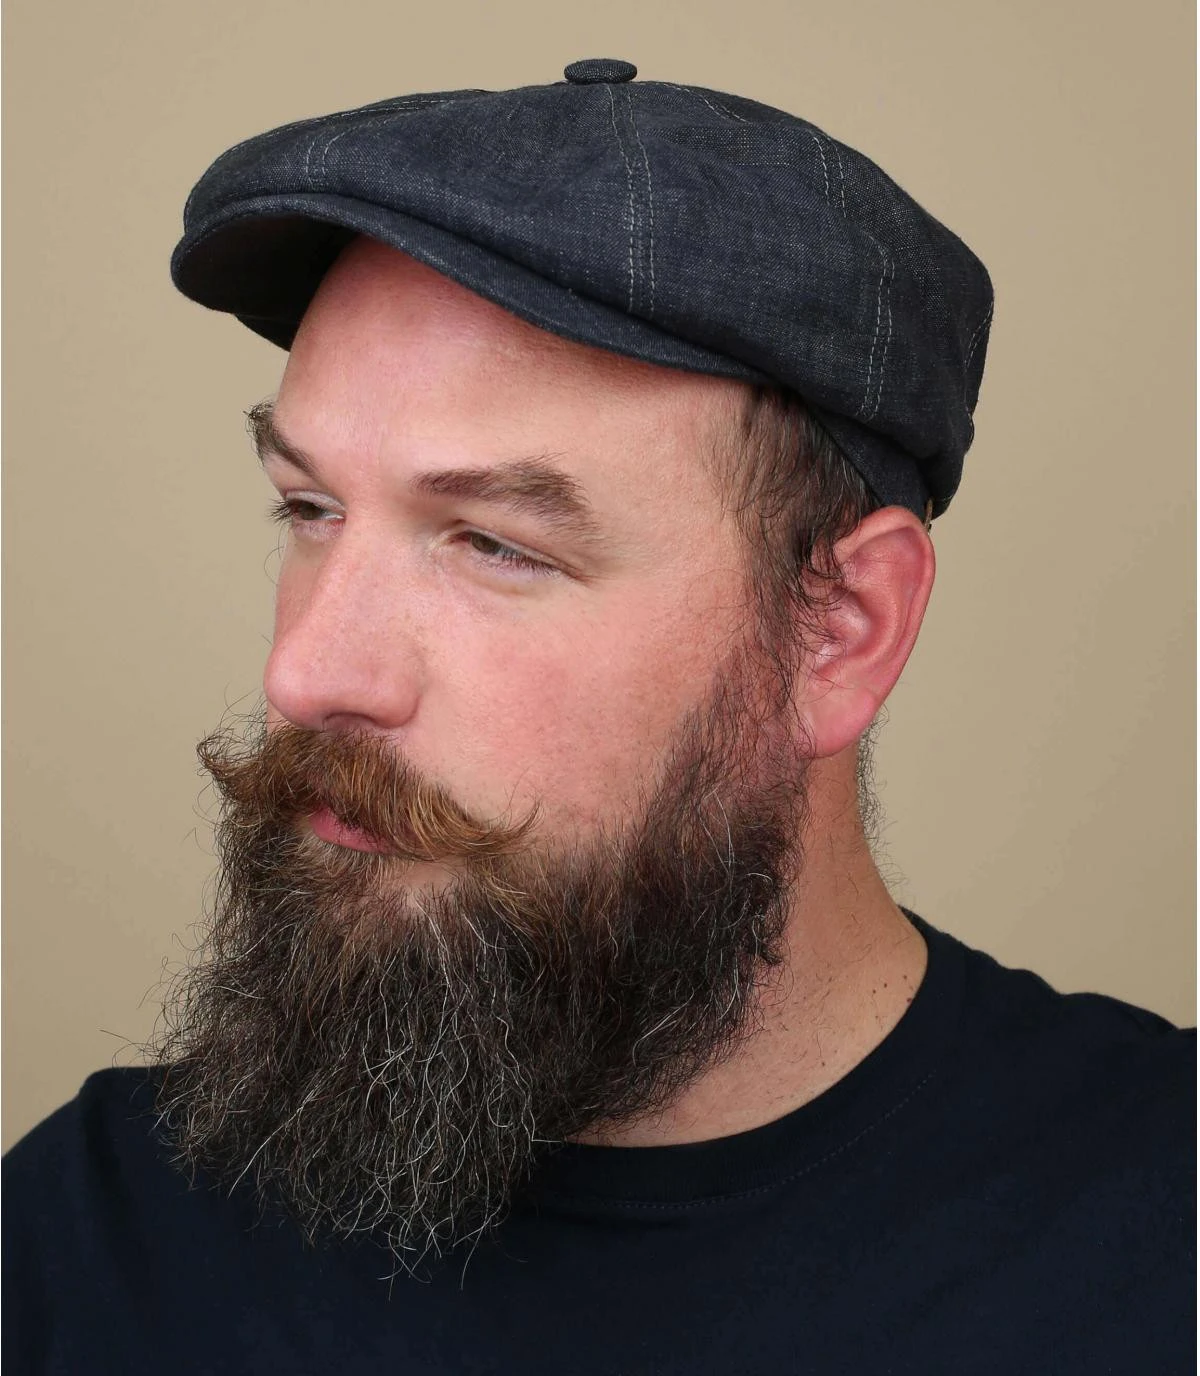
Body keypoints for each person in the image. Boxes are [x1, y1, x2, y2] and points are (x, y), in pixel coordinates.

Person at [3, 58, 1193, 1375]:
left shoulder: (1163, 1233)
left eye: (494, 543)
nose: (308, 674)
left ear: (842, 630)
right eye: (310, 509)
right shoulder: (87, 1239)